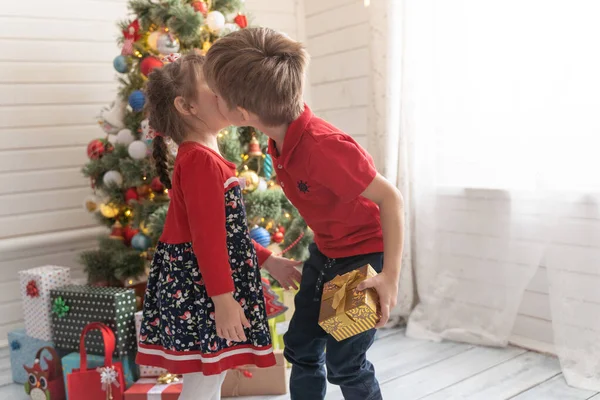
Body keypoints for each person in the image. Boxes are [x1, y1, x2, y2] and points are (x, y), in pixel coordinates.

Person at [204, 27, 405, 400]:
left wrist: (390, 276)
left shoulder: (326, 148)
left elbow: (391, 199)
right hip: (326, 253)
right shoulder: (279, 140)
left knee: (345, 363)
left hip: (361, 259)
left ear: (243, 113)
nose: (212, 99)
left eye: (217, 95)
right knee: (300, 349)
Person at [136, 53, 301, 400]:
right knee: (206, 378)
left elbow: (228, 234)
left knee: (211, 376)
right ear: (187, 106)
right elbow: (207, 241)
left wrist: (268, 260)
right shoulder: (199, 160)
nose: (224, 90)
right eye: (212, 86)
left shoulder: (203, 155)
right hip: (202, 290)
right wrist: (223, 301)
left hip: (206, 285)